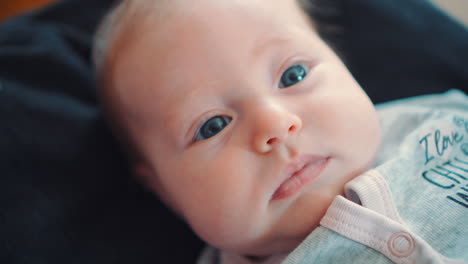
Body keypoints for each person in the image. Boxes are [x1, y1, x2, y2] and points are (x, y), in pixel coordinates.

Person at [91, 0, 468, 263]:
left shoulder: (442, 122)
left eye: (293, 75)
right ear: (164, 191)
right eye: (213, 125)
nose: (275, 125)